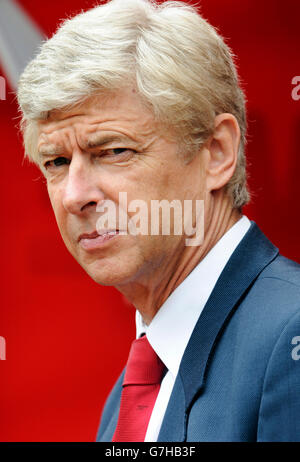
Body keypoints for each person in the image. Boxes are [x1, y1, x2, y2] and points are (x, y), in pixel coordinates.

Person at [17, 0, 300, 442]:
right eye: (56, 161)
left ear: (217, 152)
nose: (75, 195)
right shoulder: (134, 387)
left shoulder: (290, 336)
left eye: (113, 151)